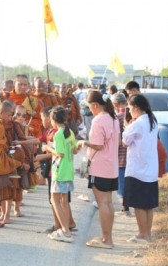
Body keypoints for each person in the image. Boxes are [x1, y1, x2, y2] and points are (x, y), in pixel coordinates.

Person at [77, 90, 120, 249]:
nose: (90, 111)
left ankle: (106, 240)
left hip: (100, 166)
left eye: (90, 107)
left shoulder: (98, 120)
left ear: (95, 105)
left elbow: (98, 145)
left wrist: (83, 143)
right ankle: (107, 237)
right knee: (108, 202)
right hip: (111, 167)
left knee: (103, 203)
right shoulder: (113, 118)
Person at [123, 94, 159, 243]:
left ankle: (142, 234)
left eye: (130, 109)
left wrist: (127, 126)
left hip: (137, 169)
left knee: (138, 204)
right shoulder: (152, 120)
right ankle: (147, 233)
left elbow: (125, 141)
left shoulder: (137, 124)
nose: (130, 112)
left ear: (137, 108)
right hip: (150, 169)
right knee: (148, 205)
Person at [43, 106, 77, 243]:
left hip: (59, 171)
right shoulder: (70, 133)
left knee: (54, 200)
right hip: (68, 170)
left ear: (53, 119)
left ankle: (65, 231)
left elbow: (59, 153)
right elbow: (74, 150)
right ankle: (66, 228)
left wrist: (47, 148)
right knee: (64, 201)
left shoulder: (58, 134)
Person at [0, 101, 23, 225]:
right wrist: (6, 145)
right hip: (1, 161)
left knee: (4, 192)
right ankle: (5, 216)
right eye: (9, 115)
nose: (10, 118)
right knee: (5, 192)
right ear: (2, 114)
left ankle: (4, 216)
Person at [111, 92, 130, 216]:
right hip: (131, 153)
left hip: (121, 154)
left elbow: (116, 139)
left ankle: (125, 208)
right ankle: (126, 207)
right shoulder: (131, 115)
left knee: (122, 180)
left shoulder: (118, 117)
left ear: (115, 104)